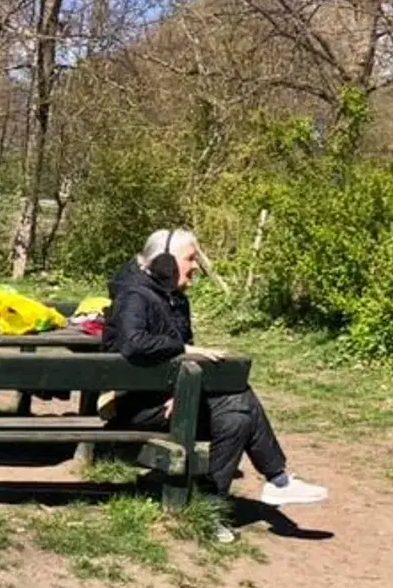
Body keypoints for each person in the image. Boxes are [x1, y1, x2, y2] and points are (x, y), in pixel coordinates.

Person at [103, 228, 327, 541]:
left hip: (168, 399)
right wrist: (184, 351)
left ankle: (212, 508)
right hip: (136, 407)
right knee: (240, 397)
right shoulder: (134, 295)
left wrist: (179, 392)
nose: (196, 266)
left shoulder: (175, 299)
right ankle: (277, 481)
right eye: (190, 259)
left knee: (237, 415)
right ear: (165, 262)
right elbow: (132, 343)